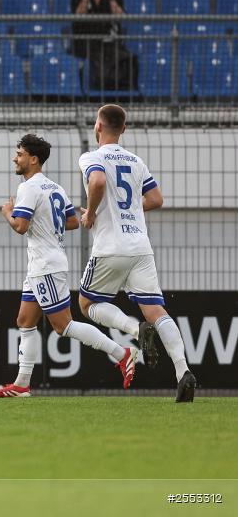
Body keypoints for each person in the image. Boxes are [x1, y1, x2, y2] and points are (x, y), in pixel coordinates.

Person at [0, 134, 136, 398]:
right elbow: (71, 222)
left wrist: (8, 213)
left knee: (63, 326)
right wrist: (45, 221)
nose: (15, 158)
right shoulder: (54, 187)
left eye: (20, 154)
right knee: (24, 321)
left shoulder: (29, 188)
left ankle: (121, 353)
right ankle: (22, 384)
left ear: (33, 160)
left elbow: (21, 227)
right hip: (41, 265)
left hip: (46, 265)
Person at [78, 104, 195, 402]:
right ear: (124, 129)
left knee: (86, 303)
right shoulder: (135, 160)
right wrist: (127, 208)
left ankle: (134, 329)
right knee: (158, 311)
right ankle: (183, 372)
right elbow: (156, 199)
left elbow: (98, 181)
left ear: (98, 127)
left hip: (110, 246)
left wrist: (91, 213)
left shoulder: (91, 157)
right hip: (141, 247)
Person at [70, 0, 138, 92]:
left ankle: (125, 93)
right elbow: (78, 16)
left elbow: (121, 17)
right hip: (88, 44)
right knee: (100, 60)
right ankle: (101, 92)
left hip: (110, 43)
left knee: (130, 59)